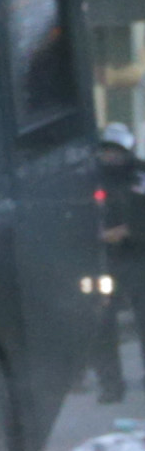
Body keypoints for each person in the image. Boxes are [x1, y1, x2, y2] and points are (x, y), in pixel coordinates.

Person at [100, 124, 143, 402]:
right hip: (102, 260)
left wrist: (128, 231)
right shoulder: (92, 178)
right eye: (107, 151)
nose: (111, 157)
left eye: (117, 151)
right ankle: (111, 385)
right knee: (101, 323)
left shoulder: (140, 175)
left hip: (138, 257)